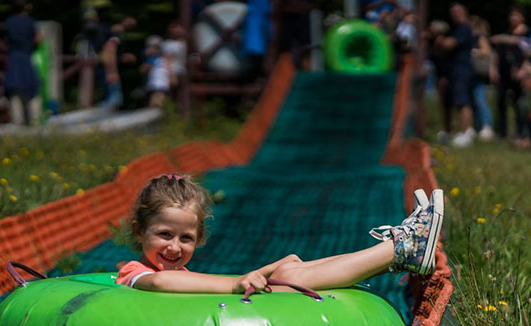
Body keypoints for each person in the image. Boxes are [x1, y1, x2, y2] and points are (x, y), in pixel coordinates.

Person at [115, 175, 444, 295]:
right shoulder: (134, 274)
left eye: (185, 238)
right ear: (138, 232)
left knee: (288, 270)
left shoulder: (180, 273)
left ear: (199, 238)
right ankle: (401, 249)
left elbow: (195, 282)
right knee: (290, 278)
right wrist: (235, 284)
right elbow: (160, 284)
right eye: (164, 234)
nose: (174, 247)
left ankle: (395, 252)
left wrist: (269, 268)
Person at [434, 3, 475, 148]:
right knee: (447, 102)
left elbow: (448, 45)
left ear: (464, 12)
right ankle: (448, 131)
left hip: (461, 70)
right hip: (451, 71)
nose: (453, 14)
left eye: (456, 11)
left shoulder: (464, 28)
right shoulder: (456, 29)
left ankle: (465, 133)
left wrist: (438, 39)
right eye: (452, 12)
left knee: (462, 101)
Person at [491, 5, 529, 145]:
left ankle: (521, 134)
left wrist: (523, 70)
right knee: (501, 103)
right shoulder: (507, 32)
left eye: (517, 15)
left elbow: (527, 53)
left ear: (522, 17)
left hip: (519, 75)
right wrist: (493, 69)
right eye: (512, 15)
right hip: (503, 73)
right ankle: (502, 133)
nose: (513, 18)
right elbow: (497, 52)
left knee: (520, 105)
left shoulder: (526, 33)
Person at [3, 0, 41, 125]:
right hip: (26, 56)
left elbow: (5, 41)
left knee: (14, 91)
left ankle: (17, 121)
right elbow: (39, 39)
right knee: (32, 89)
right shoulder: (31, 22)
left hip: (13, 57)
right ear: (26, 7)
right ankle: (35, 119)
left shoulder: (8, 22)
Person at [470, 16, 495, 141]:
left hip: (479, 74)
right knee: (475, 101)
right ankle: (479, 126)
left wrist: (473, 52)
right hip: (473, 74)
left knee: (480, 100)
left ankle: (487, 126)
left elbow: (487, 51)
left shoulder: (479, 37)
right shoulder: (475, 37)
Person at [141, 35, 171, 108]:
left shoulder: (162, 58)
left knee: (159, 100)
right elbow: (143, 70)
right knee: (155, 101)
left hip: (161, 83)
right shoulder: (151, 59)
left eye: (155, 47)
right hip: (154, 84)